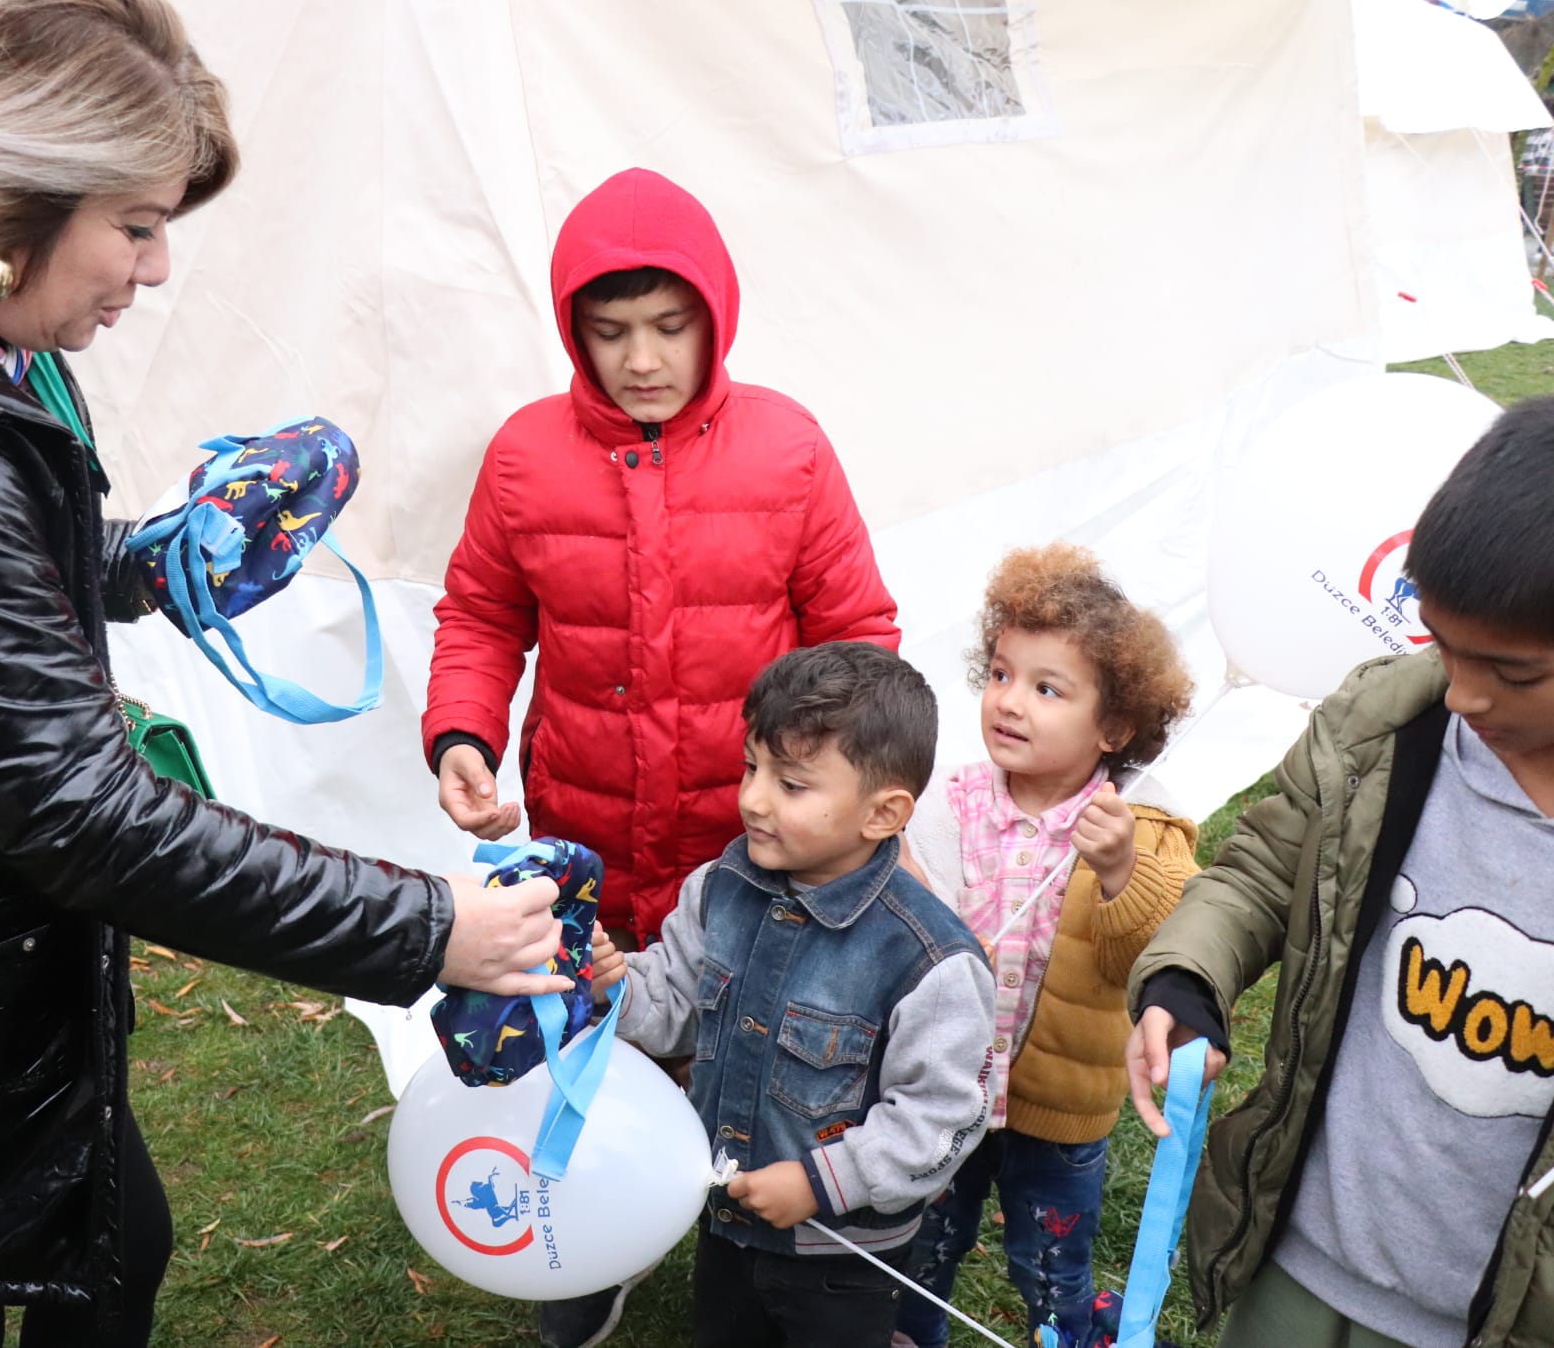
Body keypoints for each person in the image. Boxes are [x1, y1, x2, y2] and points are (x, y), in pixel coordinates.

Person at [0, 0, 564, 1346]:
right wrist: (432, 929)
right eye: (136, 226)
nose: (157, 268)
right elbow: (82, 808)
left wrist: (143, 563)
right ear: (18, 207)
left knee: (114, 1253)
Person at [1126, 398, 1554, 1347]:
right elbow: (1261, 871)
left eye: (1512, 672)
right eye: (1444, 645)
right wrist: (1185, 979)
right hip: (1303, 1258)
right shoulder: (1385, 730)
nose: (1467, 691)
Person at [423, 166, 902, 955]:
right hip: (587, 839)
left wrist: (816, 793)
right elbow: (481, 616)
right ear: (576, 330)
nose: (642, 359)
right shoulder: (523, 457)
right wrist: (463, 736)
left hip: (753, 842)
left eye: (671, 326)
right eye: (611, 333)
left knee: (740, 1050)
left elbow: (856, 637)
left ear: (716, 317)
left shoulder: (791, 451)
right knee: (608, 1044)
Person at [593, 642, 996, 1348]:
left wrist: (821, 1180)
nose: (753, 797)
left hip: (842, 1260)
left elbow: (943, 1120)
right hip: (727, 1222)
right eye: (752, 766)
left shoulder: (930, 959)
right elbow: (670, 1005)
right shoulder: (722, 886)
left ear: (883, 812)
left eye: (793, 783)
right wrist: (611, 981)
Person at [894, 545, 1198, 1348]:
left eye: (1046, 687)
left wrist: (1119, 869)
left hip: (1060, 1110)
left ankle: (1065, 1330)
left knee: (1050, 1257)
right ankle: (903, 1333)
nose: (1010, 702)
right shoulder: (947, 799)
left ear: (1115, 725)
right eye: (1000, 674)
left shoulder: (1143, 825)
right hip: (945, 1085)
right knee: (922, 1241)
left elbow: (1145, 956)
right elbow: (909, 925)